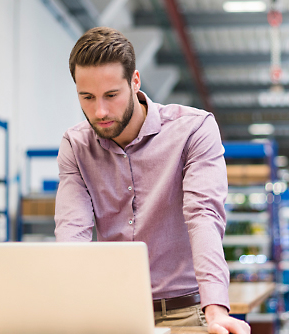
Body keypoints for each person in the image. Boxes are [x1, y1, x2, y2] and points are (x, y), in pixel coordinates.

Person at [54, 27, 250, 334]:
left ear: (135, 81)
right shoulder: (76, 145)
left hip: (185, 312)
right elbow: (72, 230)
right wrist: (64, 306)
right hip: (114, 314)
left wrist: (215, 309)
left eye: (111, 95)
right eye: (87, 97)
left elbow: (204, 215)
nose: (99, 111)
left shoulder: (193, 130)